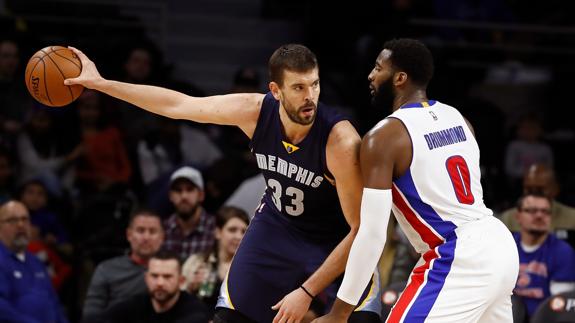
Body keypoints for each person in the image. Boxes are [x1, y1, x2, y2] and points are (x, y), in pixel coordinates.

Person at [65, 43, 381, 323]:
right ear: (275, 90)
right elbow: (177, 105)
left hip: (335, 241)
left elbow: (360, 230)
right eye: (298, 87)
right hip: (277, 227)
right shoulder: (254, 112)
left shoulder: (340, 141)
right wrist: (101, 84)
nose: (310, 97)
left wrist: (306, 292)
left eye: (315, 85)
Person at [314, 38, 519, 323]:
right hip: (500, 245)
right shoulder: (458, 118)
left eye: (378, 68)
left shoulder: (384, 137)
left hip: (457, 254)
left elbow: (373, 235)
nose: (371, 75)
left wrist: (339, 312)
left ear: (399, 78)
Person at [82, 209, 164, 323]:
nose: (146, 237)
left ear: (162, 237)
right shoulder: (106, 270)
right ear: (129, 235)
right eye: (140, 231)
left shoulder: (175, 271)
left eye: (152, 231)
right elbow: (91, 316)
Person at [0, 200, 69, 323]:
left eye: (25, 219)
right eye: (12, 220)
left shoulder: (36, 261)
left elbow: (53, 302)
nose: (20, 225)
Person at [512, 193, 575, 317]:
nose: (540, 215)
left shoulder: (562, 251)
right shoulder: (505, 246)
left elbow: (560, 304)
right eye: (532, 210)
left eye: (545, 211)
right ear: (518, 216)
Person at [104, 250, 209, 323]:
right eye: (154, 276)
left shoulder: (195, 310)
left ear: (181, 281)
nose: (160, 283)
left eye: (167, 277)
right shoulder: (133, 305)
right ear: (146, 278)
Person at [181, 206, 250, 318]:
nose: (239, 236)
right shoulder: (197, 262)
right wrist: (190, 287)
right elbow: (176, 299)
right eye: (232, 230)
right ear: (218, 232)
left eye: (244, 231)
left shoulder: (251, 268)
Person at [499, 163, 575, 232]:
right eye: (529, 189)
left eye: (540, 189)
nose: (534, 194)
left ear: (555, 189)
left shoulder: (572, 218)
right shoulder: (508, 219)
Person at [162, 166, 216, 261]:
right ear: (170, 196)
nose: (184, 196)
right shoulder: (162, 229)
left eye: (190, 189)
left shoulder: (215, 229)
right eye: (178, 190)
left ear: (201, 195)